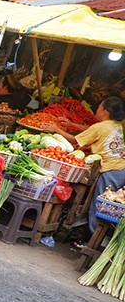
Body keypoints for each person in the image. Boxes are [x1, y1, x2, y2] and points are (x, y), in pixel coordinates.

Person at [45, 97, 125, 232]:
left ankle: (92, 236)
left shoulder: (100, 126)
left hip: (111, 170)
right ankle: (97, 235)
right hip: (121, 168)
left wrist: (56, 129)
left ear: (105, 112)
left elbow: (76, 141)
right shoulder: (116, 125)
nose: (96, 109)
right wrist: (71, 124)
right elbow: (91, 130)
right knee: (109, 205)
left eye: (99, 106)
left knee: (99, 205)